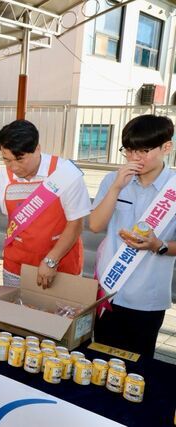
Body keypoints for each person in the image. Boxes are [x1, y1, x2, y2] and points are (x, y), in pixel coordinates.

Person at [0, 120, 91, 288]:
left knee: (59, 313)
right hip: (17, 264)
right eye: (6, 160)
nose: (13, 167)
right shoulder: (1, 179)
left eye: (19, 159)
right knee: (15, 311)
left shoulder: (64, 173)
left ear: (37, 149)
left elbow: (76, 223)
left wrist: (51, 260)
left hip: (61, 264)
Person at [89, 114, 175, 358]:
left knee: (137, 366)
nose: (135, 158)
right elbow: (95, 225)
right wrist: (116, 186)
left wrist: (158, 245)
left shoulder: (174, 188)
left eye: (144, 150)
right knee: (101, 360)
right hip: (109, 293)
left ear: (166, 147)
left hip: (147, 298)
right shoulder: (113, 180)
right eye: (129, 150)